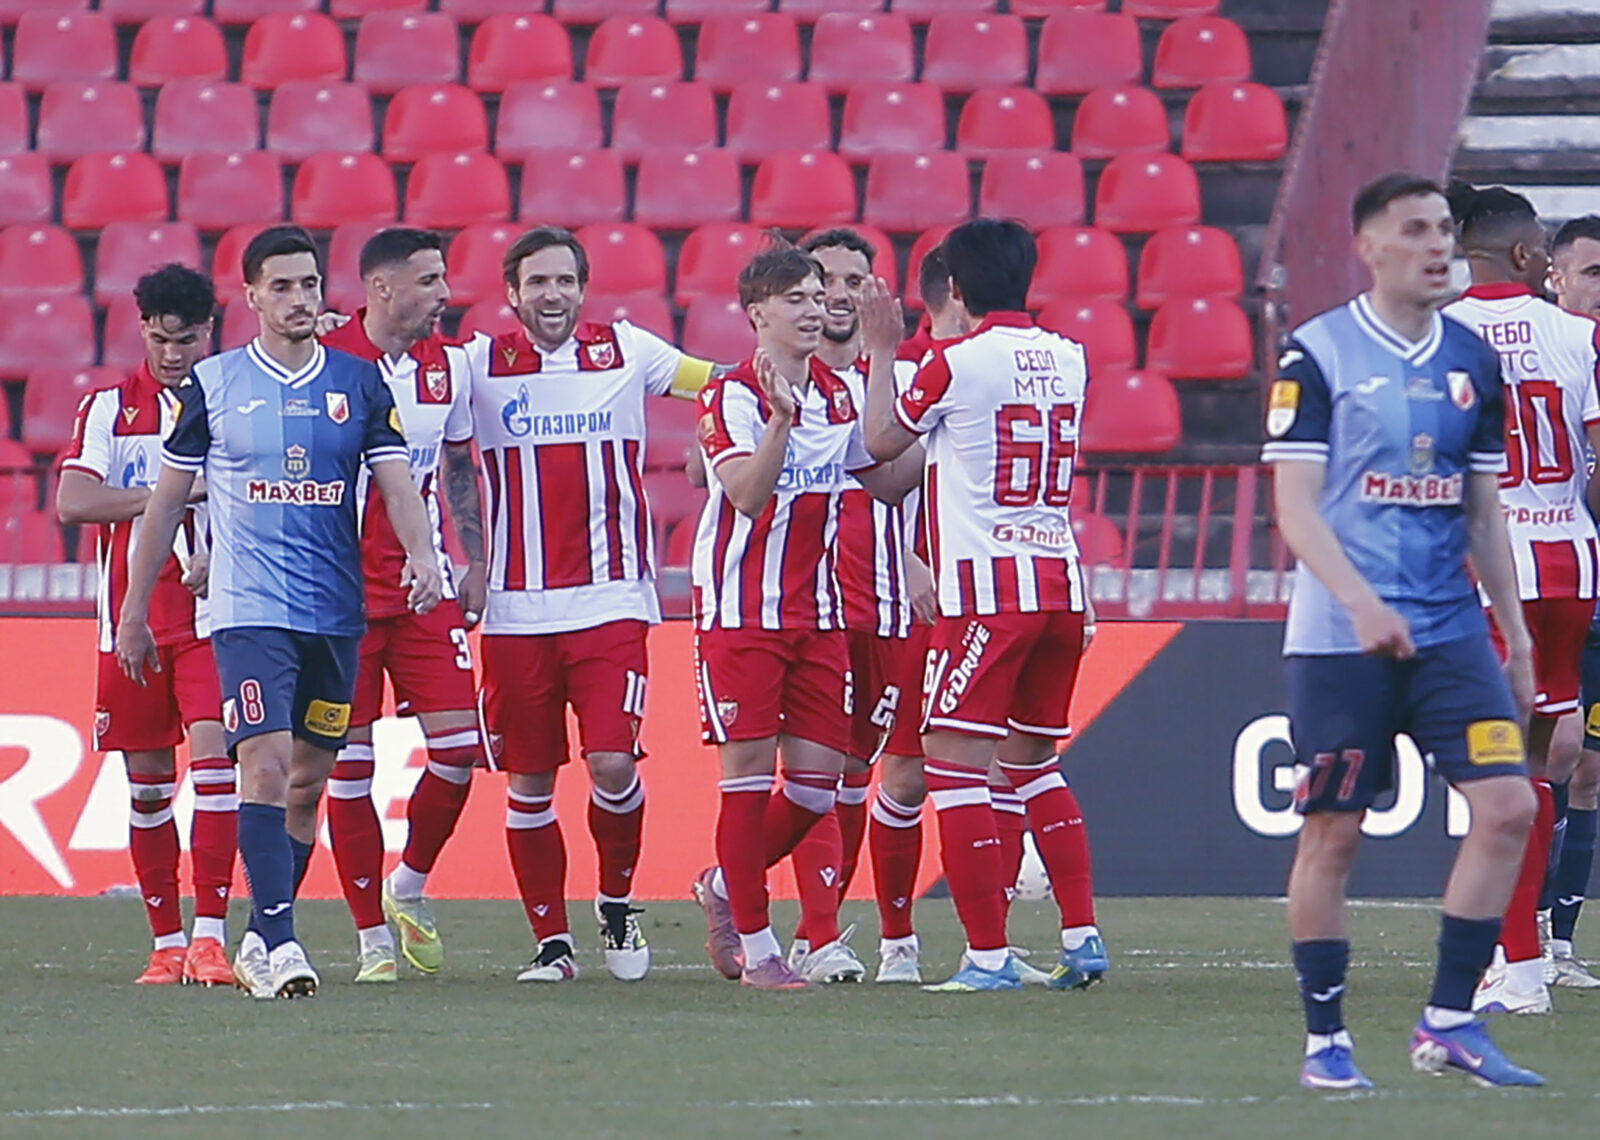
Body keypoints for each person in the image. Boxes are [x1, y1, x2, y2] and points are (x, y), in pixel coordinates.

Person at [1260, 173, 1542, 1089]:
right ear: (1369, 246)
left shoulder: (1473, 360)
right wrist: (1357, 601)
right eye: (1415, 229)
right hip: (1344, 638)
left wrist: (1516, 632)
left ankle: (1451, 1020)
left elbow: (1481, 510)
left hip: (1452, 629)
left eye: (1445, 231)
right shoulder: (1319, 353)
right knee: (1334, 833)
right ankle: (1326, 1043)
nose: (1436, 246)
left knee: (1510, 806)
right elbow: (1295, 510)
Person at [116, 225, 443, 1001]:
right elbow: (165, 503)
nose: (299, 299)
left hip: (334, 611)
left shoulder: (360, 385)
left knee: (307, 783)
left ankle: (263, 932)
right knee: (260, 765)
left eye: (309, 285)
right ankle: (286, 942)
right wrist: (135, 607)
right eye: (283, 287)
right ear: (253, 296)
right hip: (247, 608)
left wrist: (425, 554)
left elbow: (396, 483)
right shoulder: (217, 384)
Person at [860, 218, 1107, 995]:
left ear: (955, 291)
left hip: (984, 594)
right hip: (1059, 584)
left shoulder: (953, 362)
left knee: (954, 767)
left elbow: (876, 440)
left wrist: (880, 354)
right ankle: (1082, 933)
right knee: (1036, 766)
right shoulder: (1072, 357)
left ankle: (990, 958)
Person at [464, 226, 715, 983]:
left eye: (565, 281)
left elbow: (723, 382)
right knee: (530, 782)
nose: (552, 295)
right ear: (512, 294)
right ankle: (551, 943)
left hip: (611, 601)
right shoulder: (480, 364)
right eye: (537, 282)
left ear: (583, 288)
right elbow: (423, 433)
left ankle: (615, 902)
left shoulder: (630, 350)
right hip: (515, 609)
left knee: (611, 762)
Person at [690, 245, 921, 990]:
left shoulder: (838, 393)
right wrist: (781, 425)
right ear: (757, 314)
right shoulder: (729, 395)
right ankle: (760, 952)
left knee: (817, 789)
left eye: (819, 296)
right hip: (742, 612)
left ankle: (726, 886)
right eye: (796, 297)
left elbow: (884, 477)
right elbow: (748, 496)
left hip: (818, 612)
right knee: (748, 780)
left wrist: (949, 436)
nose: (815, 308)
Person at [57, 264, 237, 987]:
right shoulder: (108, 408)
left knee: (218, 769)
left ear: (209, 334)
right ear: (142, 330)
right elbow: (74, 501)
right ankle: (166, 943)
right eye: (161, 339)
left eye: (187, 339)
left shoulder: (230, 402)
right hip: (129, 624)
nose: (173, 354)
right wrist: (177, 493)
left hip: (211, 618)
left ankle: (211, 938)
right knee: (149, 787)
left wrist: (215, 541)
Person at [1443, 187, 1600, 1015]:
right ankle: (1523, 955)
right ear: (1523, 255)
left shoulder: (1439, 335)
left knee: (1491, 774)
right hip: (1568, 562)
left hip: (1488, 572)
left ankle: (1520, 966)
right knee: (1538, 766)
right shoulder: (1580, 335)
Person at [319, 228, 489, 984]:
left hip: (424, 591)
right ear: (381, 288)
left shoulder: (445, 368)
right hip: (337, 597)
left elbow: (457, 461)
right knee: (346, 772)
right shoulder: (320, 362)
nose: (443, 294)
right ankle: (370, 941)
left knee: (459, 753)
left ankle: (408, 886)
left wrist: (474, 558)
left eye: (444, 278)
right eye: (428, 281)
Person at [779, 227, 928, 983]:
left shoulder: (901, 383)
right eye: (823, 279)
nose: (838, 293)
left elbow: (918, 479)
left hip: (894, 606)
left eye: (853, 280)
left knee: (876, 777)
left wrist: (926, 557)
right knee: (816, 774)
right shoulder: (776, 384)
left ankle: (887, 940)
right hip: (812, 610)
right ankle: (818, 933)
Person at [1545, 214, 1600, 988]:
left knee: (1588, 771)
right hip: (1551, 586)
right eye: (1591, 272)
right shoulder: (1540, 354)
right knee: (1544, 759)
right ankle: (1514, 931)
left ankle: (1559, 938)